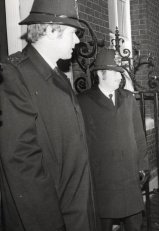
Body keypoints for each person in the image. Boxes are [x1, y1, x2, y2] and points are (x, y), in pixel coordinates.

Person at [0, 0, 96, 230]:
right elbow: (23, 168)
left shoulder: (58, 76)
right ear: (52, 30)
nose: (77, 40)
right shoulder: (13, 76)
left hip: (78, 214)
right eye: (73, 33)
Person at [78, 48, 148, 231]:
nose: (120, 77)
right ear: (101, 74)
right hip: (103, 182)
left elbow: (139, 135)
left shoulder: (128, 98)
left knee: (136, 225)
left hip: (129, 180)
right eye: (115, 73)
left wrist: (143, 166)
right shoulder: (83, 102)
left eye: (121, 73)